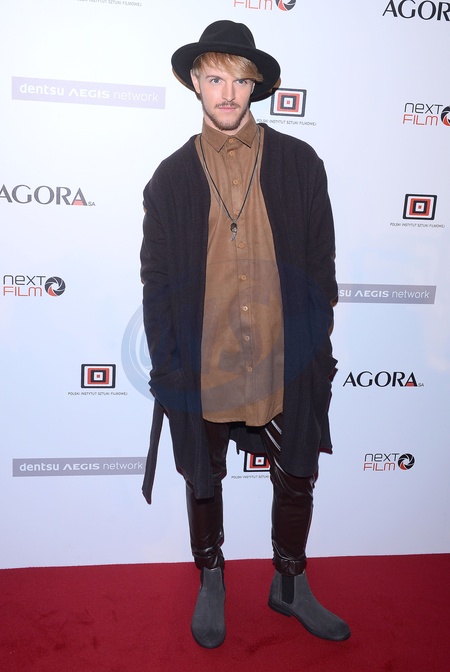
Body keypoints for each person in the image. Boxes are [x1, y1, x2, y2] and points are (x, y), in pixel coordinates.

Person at [140, 20, 350, 648]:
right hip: (205, 363)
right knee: (203, 478)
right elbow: (157, 285)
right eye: (214, 78)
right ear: (195, 83)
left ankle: (289, 582)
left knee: (298, 472)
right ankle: (211, 578)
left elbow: (321, 267)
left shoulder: (300, 164)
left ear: (254, 85)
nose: (226, 92)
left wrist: (313, 342)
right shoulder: (170, 180)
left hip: (285, 359)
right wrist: (169, 365)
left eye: (238, 79)